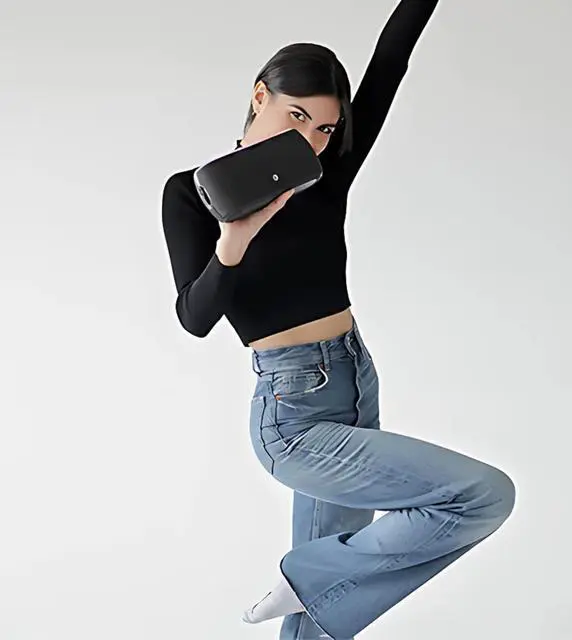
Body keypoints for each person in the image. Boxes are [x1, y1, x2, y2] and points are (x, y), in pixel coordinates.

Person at [161, 1, 516, 638]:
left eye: (325, 127)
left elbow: (391, 61)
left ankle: (310, 585)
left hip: (355, 378)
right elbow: (194, 316)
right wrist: (233, 241)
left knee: (317, 627)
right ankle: (308, 575)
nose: (310, 139)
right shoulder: (191, 193)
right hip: (292, 412)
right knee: (482, 495)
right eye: (297, 115)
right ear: (260, 96)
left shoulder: (326, 175)